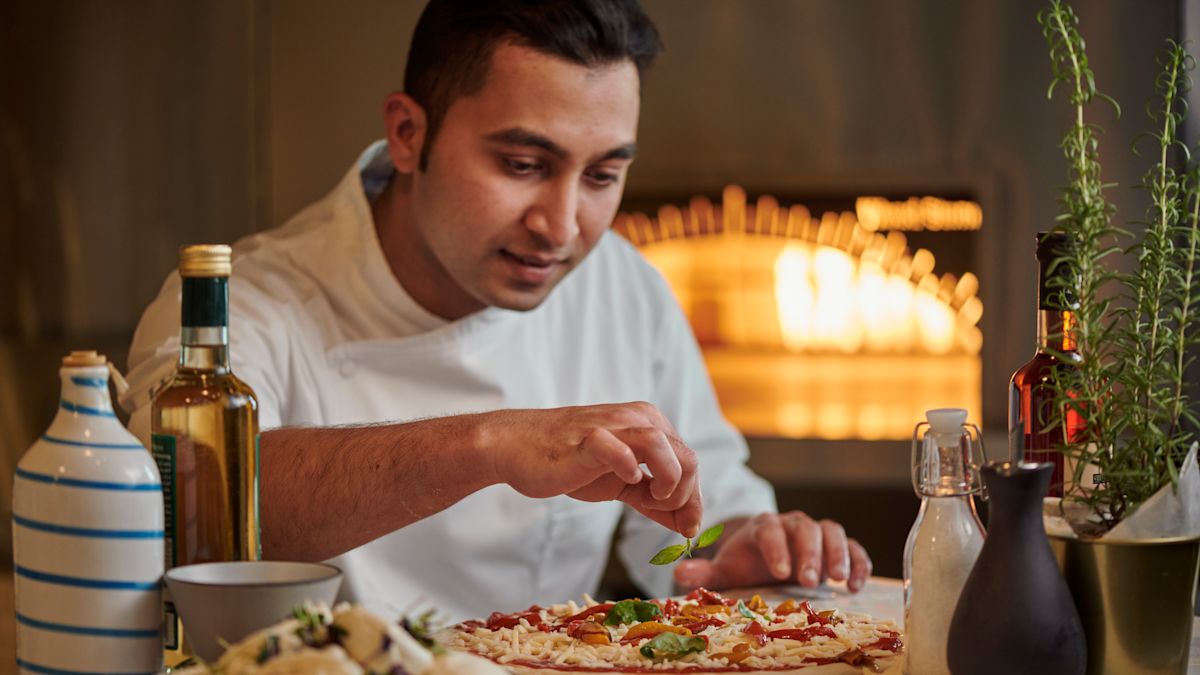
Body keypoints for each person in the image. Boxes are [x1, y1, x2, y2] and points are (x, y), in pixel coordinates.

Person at [123, 0, 871, 621]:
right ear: (409, 134)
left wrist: (739, 545)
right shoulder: (245, 305)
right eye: (522, 165)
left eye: (604, 174)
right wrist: (491, 444)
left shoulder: (620, 284)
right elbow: (184, 495)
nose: (563, 224)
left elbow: (701, 523)